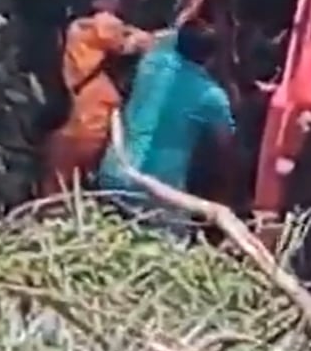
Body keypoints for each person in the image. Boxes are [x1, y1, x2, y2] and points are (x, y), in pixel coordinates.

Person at [96, 19, 234, 234]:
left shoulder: (151, 63)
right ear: (212, 57)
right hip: (158, 189)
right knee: (175, 240)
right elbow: (225, 142)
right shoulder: (212, 97)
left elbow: (160, 38)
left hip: (115, 172)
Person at [39, 0, 155, 197]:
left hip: (71, 109)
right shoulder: (104, 23)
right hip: (92, 110)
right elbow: (131, 45)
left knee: (57, 179)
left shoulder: (76, 27)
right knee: (84, 169)